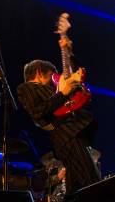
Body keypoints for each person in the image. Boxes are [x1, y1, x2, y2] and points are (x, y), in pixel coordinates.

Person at [17, 59, 100, 194]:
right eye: (51, 76)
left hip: (75, 131)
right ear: (39, 72)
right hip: (68, 135)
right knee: (90, 182)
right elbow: (37, 111)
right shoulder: (26, 88)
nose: (54, 80)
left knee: (76, 187)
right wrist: (63, 93)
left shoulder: (52, 89)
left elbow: (71, 93)